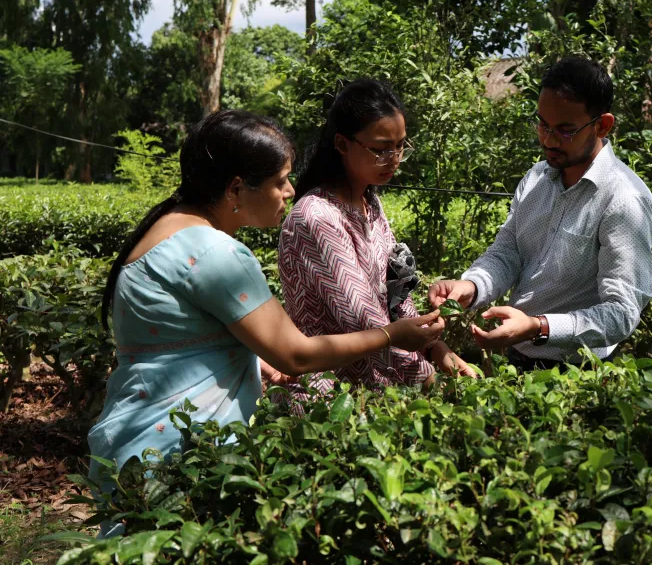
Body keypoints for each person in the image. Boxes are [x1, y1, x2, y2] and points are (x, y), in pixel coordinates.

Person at [88, 110, 444, 492]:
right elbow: (297, 356)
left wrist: (253, 359)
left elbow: (180, 338)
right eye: (280, 181)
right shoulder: (216, 254)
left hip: (138, 443)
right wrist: (391, 336)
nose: (291, 191)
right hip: (178, 457)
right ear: (236, 189)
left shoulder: (169, 225)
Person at [428, 57, 652, 369]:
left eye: (564, 130)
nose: (548, 140)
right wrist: (471, 286)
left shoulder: (623, 201)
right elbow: (508, 252)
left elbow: (621, 314)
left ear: (602, 125)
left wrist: (539, 327)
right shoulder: (537, 178)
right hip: (516, 359)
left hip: (578, 373)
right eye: (543, 124)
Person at [277, 79, 476, 411]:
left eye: (400, 146)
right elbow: (364, 322)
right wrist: (428, 373)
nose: (394, 158)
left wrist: (434, 346)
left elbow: (396, 295)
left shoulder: (370, 204)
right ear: (342, 144)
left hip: (380, 386)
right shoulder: (317, 217)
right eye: (381, 148)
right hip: (330, 399)